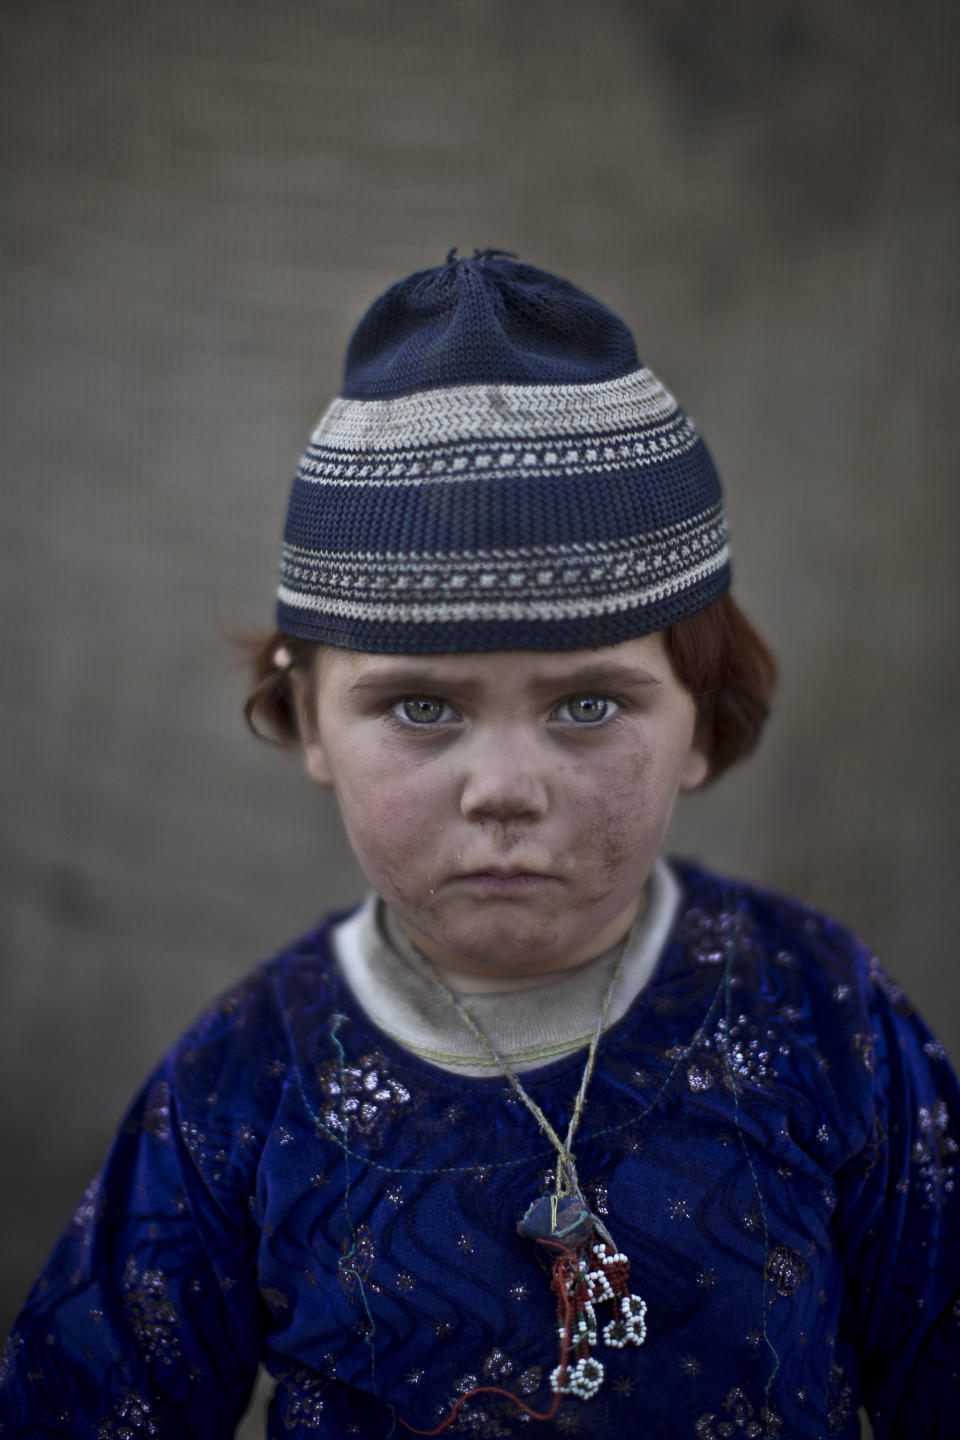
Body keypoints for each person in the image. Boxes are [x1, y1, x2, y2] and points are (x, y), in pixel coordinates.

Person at [2, 251, 958, 1440]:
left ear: (703, 721)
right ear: (306, 717)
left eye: (589, 705)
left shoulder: (826, 1019)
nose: (504, 790)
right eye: (421, 708)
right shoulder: (247, 1084)